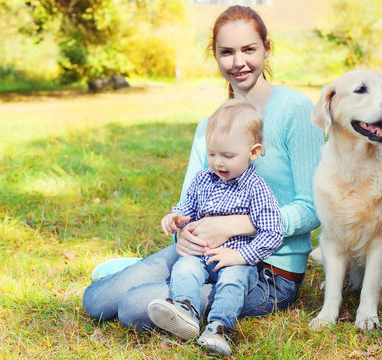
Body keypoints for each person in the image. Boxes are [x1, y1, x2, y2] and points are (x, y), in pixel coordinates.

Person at [82, 4, 324, 341]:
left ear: (267, 49)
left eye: (249, 49)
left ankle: (139, 276)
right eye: (227, 52)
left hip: (269, 272)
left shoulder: (296, 111)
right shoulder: (209, 127)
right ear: (215, 55)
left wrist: (235, 225)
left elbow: (315, 208)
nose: (239, 62)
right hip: (202, 256)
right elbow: (187, 203)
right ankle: (135, 272)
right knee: (95, 301)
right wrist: (181, 232)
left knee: (132, 308)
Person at [150, 99, 283, 356]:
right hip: (201, 255)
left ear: (253, 152)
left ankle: (219, 327)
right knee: (185, 267)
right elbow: (187, 206)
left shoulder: (257, 189)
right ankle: (185, 311)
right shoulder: (203, 179)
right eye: (212, 154)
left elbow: (272, 232)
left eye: (228, 156)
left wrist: (242, 256)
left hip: (235, 260)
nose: (219, 163)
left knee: (234, 281)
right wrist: (175, 217)